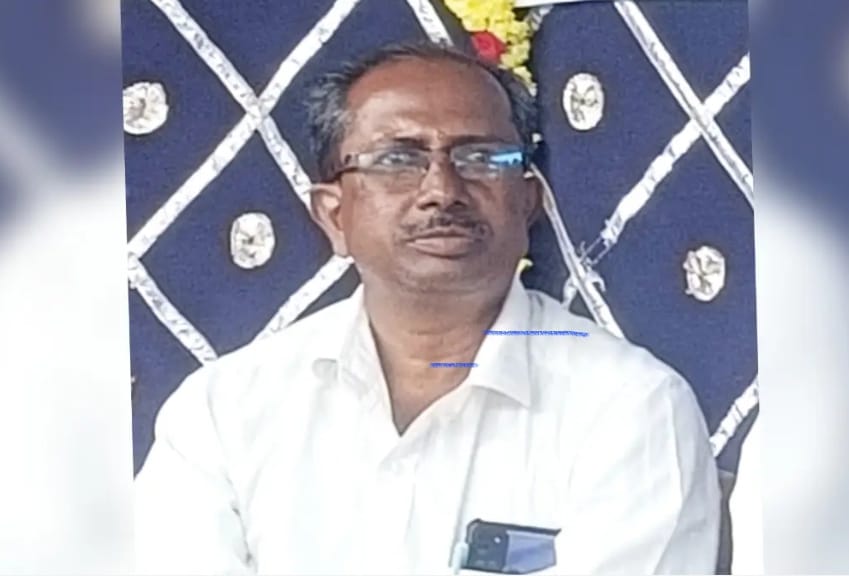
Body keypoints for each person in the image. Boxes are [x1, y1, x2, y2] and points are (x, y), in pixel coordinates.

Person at [134, 41, 720, 575]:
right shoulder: (223, 411)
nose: (441, 189)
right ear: (334, 215)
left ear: (528, 202)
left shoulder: (632, 408)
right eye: (397, 160)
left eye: (480, 157)